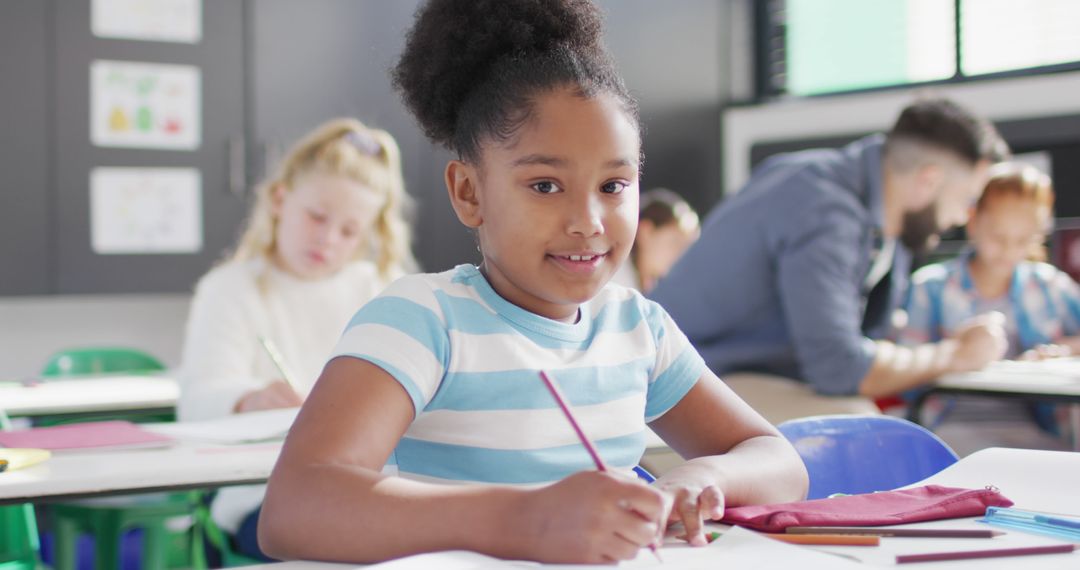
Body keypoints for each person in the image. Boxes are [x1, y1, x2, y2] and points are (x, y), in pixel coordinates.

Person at [258, 0, 808, 565]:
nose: (588, 221)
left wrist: (701, 476)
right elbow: (295, 507)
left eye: (614, 185)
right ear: (470, 192)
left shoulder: (638, 329)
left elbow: (779, 460)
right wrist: (529, 518)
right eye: (545, 185)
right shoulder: (425, 319)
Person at [650, 98, 1011, 424]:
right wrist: (956, 354)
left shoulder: (879, 220)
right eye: (967, 197)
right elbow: (839, 368)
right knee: (867, 432)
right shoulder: (825, 209)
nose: (963, 216)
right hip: (683, 379)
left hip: (742, 375)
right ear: (928, 180)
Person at [177, 117, 416, 560]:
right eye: (317, 216)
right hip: (263, 493)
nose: (327, 239)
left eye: (348, 231)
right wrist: (249, 398)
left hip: (372, 483)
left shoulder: (381, 287)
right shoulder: (231, 288)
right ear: (280, 199)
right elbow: (196, 400)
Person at [895, 163, 1080, 452]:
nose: (1008, 250)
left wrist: (1065, 348)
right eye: (998, 237)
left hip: (1037, 429)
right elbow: (903, 377)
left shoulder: (1049, 285)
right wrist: (955, 350)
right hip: (950, 428)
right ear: (972, 220)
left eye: (1022, 240)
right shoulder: (931, 287)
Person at [610, 187, 701, 293]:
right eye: (675, 243)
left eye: (688, 248)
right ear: (646, 232)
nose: (681, 255)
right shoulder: (613, 285)